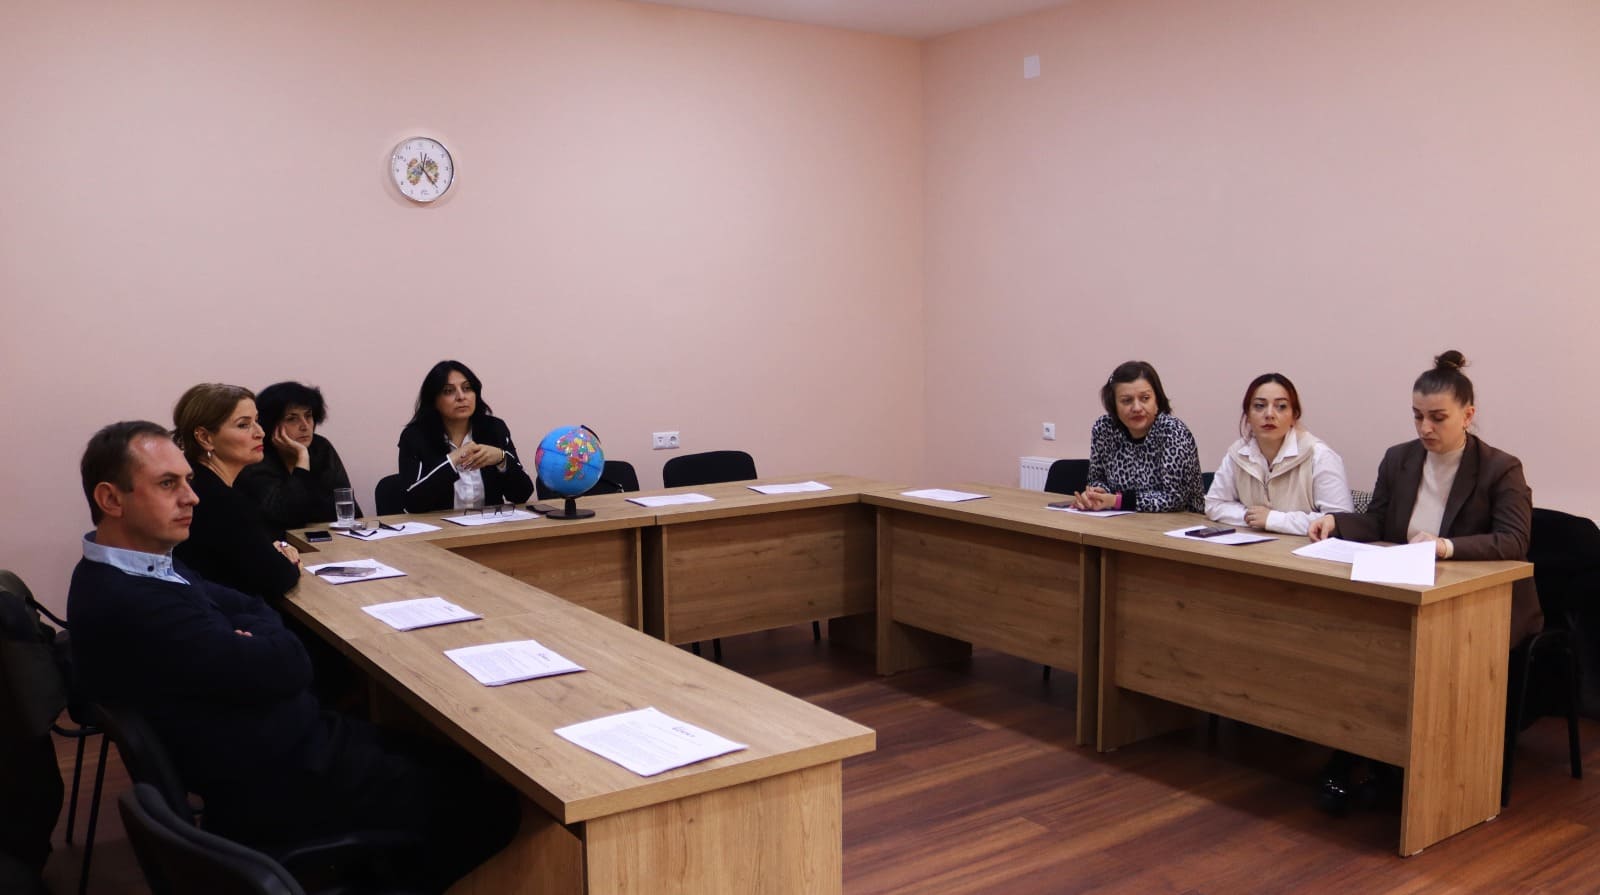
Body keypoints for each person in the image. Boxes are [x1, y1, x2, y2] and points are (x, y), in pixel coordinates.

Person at [67, 421, 517, 891]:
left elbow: (249, 606)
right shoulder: (133, 601)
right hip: (276, 777)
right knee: (492, 805)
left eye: (188, 480)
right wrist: (259, 635)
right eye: (167, 484)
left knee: (455, 761)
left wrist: (252, 631)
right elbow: (289, 664)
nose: (192, 497)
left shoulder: (141, 566)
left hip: (279, 744)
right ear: (111, 499)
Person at [1307, 350, 1541, 814]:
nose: (1425, 428)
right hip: (1408, 588)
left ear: (1467, 415)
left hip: (1482, 607)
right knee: (1355, 643)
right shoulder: (1399, 459)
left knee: (1399, 654)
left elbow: (1514, 540)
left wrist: (1445, 546)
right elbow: (1378, 521)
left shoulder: (1500, 468)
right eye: (1417, 416)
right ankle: (1361, 754)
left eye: (1438, 417)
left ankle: (1396, 767)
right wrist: (1336, 522)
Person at [171, 383, 301, 602]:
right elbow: (278, 578)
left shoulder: (197, 481)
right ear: (205, 438)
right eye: (243, 425)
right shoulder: (219, 500)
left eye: (257, 421)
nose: (260, 433)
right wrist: (288, 561)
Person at [1203, 373, 1353, 535]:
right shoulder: (1237, 453)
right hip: (1255, 544)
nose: (1269, 414)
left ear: (1294, 416)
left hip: (1306, 547)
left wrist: (1273, 520)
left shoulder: (1319, 455)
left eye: (1281, 406)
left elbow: (1340, 521)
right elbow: (1214, 504)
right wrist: (1250, 517)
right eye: (1259, 406)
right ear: (1247, 415)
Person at [397, 360, 534, 513]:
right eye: (448, 391)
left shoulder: (494, 429)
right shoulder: (415, 437)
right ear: (433, 400)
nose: (461, 397)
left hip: (491, 524)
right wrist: (452, 461)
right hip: (439, 526)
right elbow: (412, 503)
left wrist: (502, 459)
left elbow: (522, 494)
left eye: (467, 388)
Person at [1071, 360, 1204, 512]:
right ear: (1114, 405)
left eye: (1145, 398)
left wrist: (1116, 501)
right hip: (1122, 519)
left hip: (1180, 521)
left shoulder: (1173, 432)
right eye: (1126, 401)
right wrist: (1095, 495)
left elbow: (1175, 498)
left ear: (1157, 401)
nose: (1136, 408)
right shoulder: (1104, 428)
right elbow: (1097, 478)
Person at [236, 381, 360, 535]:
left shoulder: (320, 447)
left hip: (326, 542)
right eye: (292, 419)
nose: (305, 426)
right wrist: (302, 459)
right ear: (271, 424)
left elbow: (348, 511)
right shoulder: (258, 455)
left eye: (308, 416)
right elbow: (286, 514)